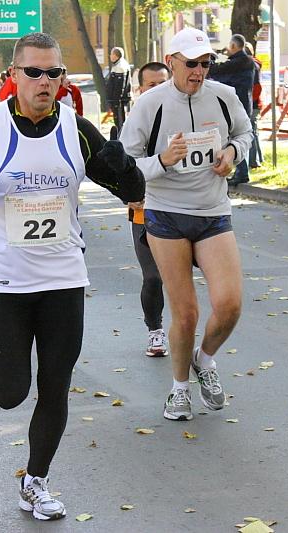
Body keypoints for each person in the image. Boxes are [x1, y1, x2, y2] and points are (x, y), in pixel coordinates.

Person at [0, 32, 144, 521]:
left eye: (54, 73)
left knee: (56, 385)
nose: (45, 81)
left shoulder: (77, 129)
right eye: (34, 72)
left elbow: (130, 189)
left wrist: (125, 168)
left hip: (64, 277)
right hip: (6, 281)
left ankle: (36, 481)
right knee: (13, 392)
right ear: (14, 76)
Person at [120, 28, 251, 422]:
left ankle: (204, 359)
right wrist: (162, 161)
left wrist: (232, 151)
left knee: (230, 305)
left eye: (206, 64)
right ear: (171, 62)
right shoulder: (150, 104)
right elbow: (123, 164)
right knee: (187, 312)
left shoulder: (224, 96)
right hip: (166, 214)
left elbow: (245, 132)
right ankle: (179, 390)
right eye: (191, 63)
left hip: (212, 212)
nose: (199, 71)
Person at [127, 61, 171, 357]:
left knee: (179, 278)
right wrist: (129, 193)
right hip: (145, 210)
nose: (157, 90)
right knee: (153, 277)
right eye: (151, 85)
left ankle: (184, 330)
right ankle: (155, 330)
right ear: (140, 89)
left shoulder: (186, 113)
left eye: (162, 84)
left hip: (182, 209)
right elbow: (123, 167)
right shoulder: (134, 120)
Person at [208, 33, 254, 186]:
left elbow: (215, 71)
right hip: (243, 103)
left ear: (233, 46)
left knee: (238, 137)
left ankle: (242, 172)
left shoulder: (239, 62)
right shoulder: (245, 61)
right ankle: (241, 172)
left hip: (237, 105)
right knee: (240, 137)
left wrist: (211, 57)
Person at [244, 42, 263, 169]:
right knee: (253, 132)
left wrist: (250, 100)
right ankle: (257, 158)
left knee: (251, 132)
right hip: (254, 103)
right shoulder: (254, 64)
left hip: (253, 104)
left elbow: (256, 87)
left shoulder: (252, 65)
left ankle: (254, 160)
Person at [105, 47, 131, 129]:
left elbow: (119, 87)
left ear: (115, 55)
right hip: (119, 100)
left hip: (119, 101)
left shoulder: (120, 67)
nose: (110, 56)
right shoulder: (119, 64)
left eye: (111, 54)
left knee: (120, 122)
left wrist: (116, 102)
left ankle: (121, 136)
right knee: (120, 121)